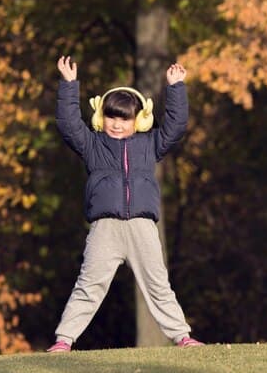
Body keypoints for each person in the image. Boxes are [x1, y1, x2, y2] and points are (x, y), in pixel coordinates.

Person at [46, 55, 203, 352]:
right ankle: (64, 341)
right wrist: (69, 85)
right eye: (111, 117)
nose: (117, 124)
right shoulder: (92, 145)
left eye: (124, 118)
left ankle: (182, 336)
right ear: (100, 117)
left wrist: (176, 88)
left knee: (158, 286)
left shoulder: (149, 144)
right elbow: (68, 124)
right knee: (89, 286)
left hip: (142, 228)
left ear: (139, 120)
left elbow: (175, 127)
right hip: (105, 228)